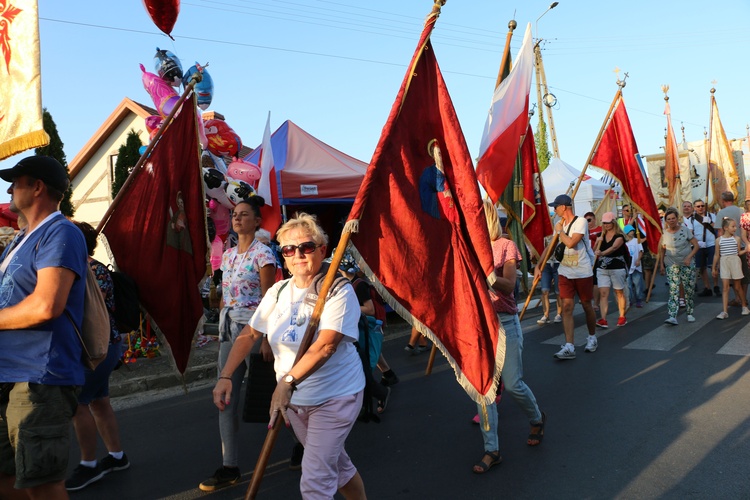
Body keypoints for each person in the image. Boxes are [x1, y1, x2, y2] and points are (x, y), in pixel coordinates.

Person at [211, 213, 367, 499]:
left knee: (315, 481)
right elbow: (249, 334)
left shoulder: (338, 290)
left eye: (307, 247)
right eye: (289, 249)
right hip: (295, 402)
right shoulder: (278, 290)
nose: (298, 255)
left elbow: (325, 346)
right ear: (283, 255)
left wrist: (287, 382)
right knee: (339, 467)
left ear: (322, 250)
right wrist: (226, 376)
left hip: (335, 396)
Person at [0, 156, 88, 499]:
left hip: (39, 377)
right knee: (6, 475)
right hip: (8, 374)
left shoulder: (60, 231)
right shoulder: (19, 240)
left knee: (42, 483)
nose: (9, 188)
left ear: (37, 187)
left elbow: (46, 305)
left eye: (16, 181)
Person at [200, 197, 278, 492]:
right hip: (228, 332)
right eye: (234, 214)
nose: (237, 218)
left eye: (244, 215)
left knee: (272, 394)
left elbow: (270, 297)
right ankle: (229, 466)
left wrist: (269, 337)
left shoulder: (264, 254)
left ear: (257, 221)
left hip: (256, 331)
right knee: (225, 396)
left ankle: (302, 445)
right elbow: (224, 295)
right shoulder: (229, 255)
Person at [472, 199, 545, 474]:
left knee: (513, 385)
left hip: (505, 321)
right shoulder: (469, 247)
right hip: (479, 325)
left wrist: (486, 274)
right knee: (483, 389)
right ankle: (492, 449)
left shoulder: (505, 245)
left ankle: (537, 419)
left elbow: (510, 287)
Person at [65, 222, 129, 492]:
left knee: (79, 403)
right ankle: (117, 456)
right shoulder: (83, 268)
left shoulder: (92, 270)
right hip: (103, 345)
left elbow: (88, 309)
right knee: (99, 401)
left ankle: (88, 465)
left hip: (97, 346)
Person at [535, 194, 597, 360]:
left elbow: (571, 242)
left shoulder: (581, 222)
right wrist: (538, 266)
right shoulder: (559, 224)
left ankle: (592, 337)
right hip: (565, 272)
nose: (554, 210)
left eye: (555, 206)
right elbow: (550, 247)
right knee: (567, 307)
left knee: (586, 305)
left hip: (582, 271)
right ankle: (569, 345)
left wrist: (560, 231)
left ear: (564, 207)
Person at [337, 251, 391, 414]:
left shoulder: (358, 285)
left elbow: (370, 309)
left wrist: (347, 307)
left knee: (363, 366)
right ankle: (389, 376)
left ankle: (374, 395)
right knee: (365, 362)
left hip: (367, 329)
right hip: (358, 329)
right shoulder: (347, 283)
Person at [659, 207, 699, 325]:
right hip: (671, 264)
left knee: (688, 289)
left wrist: (689, 257)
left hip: (686, 263)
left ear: (677, 218)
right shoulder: (664, 234)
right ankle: (672, 315)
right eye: (669, 219)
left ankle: (690, 312)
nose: (671, 221)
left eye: (673, 218)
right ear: (666, 221)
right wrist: (661, 264)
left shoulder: (685, 230)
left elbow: (696, 245)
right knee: (673, 290)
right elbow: (662, 249)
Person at [594, 212, 629, 328]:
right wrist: (597, 242)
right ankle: (603, 319)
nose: (606, 225)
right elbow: (594, 250)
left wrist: (602, 253)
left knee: (619, 292)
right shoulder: (601, 235)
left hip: (617, 268)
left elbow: (614, 247)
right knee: (603, 293)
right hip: (602, 268)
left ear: (613, 222)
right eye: (604, 223)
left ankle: (622, 316)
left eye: (608, 222)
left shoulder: (619, 236)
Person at [715, 191, 749, 307]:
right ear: (733, 199)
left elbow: (720, 232)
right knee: (743, 275)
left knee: (731, 277)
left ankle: (738, 298)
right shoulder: (741, 211)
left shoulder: (721, 213)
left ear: (723, 200)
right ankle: (743, 297)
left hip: (728, 249)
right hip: (743, 245)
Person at [712, 217, 749, 319]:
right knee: (725, 287)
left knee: (737, 286)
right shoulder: (718, 240)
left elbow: (738, 252)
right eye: (733, 226)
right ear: (725, 228)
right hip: (724, 262)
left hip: (735, 262)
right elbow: (716, 254)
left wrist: (746, 250)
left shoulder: (736, 239)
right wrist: (714, 267)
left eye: (735, 226)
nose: (735, 228)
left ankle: (744, 306)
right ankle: (724, 311)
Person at [690, 199, 718, 297]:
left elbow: (717, 228)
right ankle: (707, 287)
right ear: (694, 208)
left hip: (711, 243)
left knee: (713, 266)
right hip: (700, 245)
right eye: (698, 206)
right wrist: (697, 242)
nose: (700, 208)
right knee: (702, 267)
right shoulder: (692, 219)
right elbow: (690, 233)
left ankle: (716, 286)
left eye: (702, 206)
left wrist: (710, 222)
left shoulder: (711, 216)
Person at [537, 235, 562, 325]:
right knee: (544, 290)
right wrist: (538, 265)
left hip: (558, 264)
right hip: (546, 264)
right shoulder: (546, 233)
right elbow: (545, 248)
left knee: (558, 291)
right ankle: (546, 314)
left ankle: (559, 313)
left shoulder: (563, 233)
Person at [623, 225, 645, 308]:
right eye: (630, 231)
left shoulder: (637, 241)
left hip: (636, 266)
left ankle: (639, 299)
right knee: (628, 285)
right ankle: (630, 299)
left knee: (637, 284)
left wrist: (638, 259)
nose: (632, 232)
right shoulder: (624, 243)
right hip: (628, 267)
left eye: (633, 231)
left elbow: (641, 251)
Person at [585, 212, 601, 312]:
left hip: (597, 258)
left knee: (595, 281)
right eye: (586, 220)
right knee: (587, 281)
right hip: (586, 259)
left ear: (594, 219)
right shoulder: (584, 231)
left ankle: (596, 303)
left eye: (589, 220)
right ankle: (587, 300)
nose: (588, 222)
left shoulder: (600, 229)